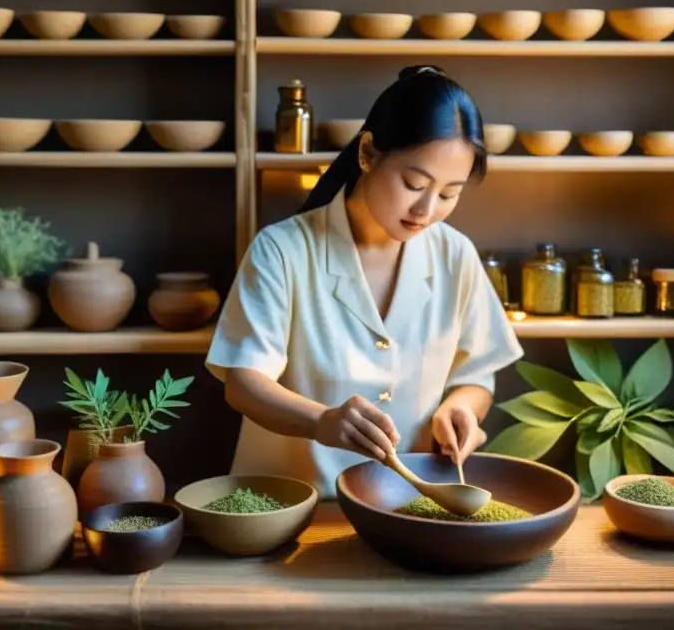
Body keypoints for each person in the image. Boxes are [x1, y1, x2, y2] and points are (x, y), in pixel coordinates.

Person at [205, 65, 523, 496]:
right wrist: (321, 421)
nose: (427, 209)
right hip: (296, 505)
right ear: (368, 153)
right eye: (415, 183)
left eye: (450, 193)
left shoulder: (455, 254)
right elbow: (243, 385)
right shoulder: (282, 249)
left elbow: (475, 374)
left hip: (409, 502)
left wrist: (461, 407)